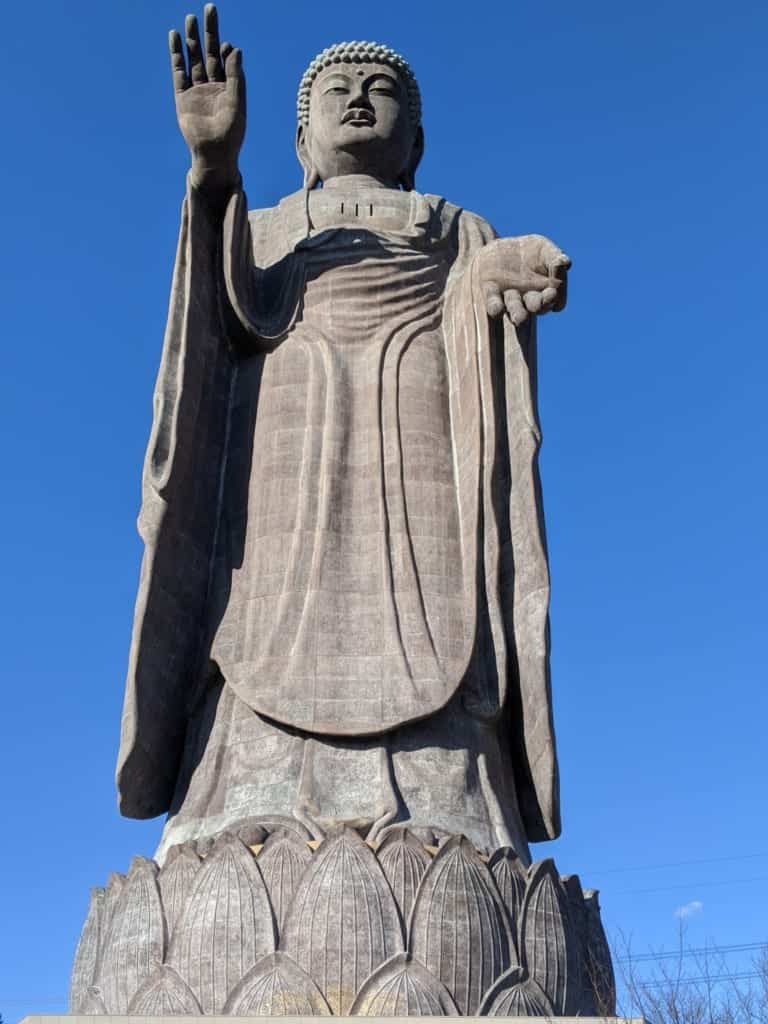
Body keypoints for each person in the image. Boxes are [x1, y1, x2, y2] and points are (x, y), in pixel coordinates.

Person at [116, 5, 571, 864]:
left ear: (417, 141)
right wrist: (213, 169)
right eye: (337, 92)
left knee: (441, 597)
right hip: (287, 422)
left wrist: (495, 278)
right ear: (300, 137)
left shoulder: (453, 225)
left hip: (420, 415)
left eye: (381, 91)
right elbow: (221, 320)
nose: (358, 102)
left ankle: (453, 806)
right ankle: (237, 798)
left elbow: (474, 285)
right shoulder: (270, 222)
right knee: (251, 605)